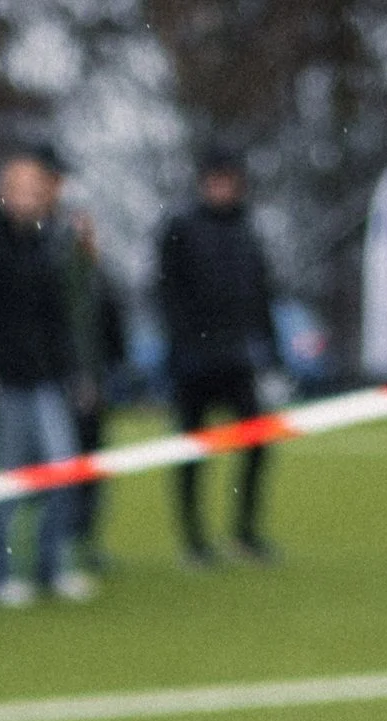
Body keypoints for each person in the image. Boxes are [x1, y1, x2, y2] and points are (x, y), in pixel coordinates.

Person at [0, 149, 93, 607]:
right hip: (4, 382)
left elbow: (58, 319)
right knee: (11, 481)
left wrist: (74, 371)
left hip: (48, 378)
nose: (28, 199)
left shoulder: (48, 245)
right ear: (3, 194)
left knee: (63, 474)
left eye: (36, 192)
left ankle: (51, 568)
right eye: (20, 190)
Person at [156, 144, 280, 567]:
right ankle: (193, 542)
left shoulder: (247, 231)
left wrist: (271, 352)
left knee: (258, 444)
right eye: (216, 180)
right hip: (194, 362)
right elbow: (166, 294)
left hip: (238, 359)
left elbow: (261, 296)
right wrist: (182, 344)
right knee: (192, 450)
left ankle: (244, 533)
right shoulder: (180, 227)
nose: (223, 188)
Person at [60, 206, 130, 580]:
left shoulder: (100, 277)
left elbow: (113, 330)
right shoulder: (57, 277)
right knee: (55, 470)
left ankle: (85, 542)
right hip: (64, 387)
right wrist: (75, 378)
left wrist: (112, 375)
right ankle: (58, 545)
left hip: (97, 386)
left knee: (92, 468)